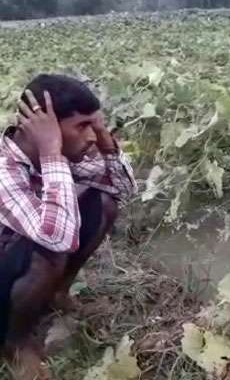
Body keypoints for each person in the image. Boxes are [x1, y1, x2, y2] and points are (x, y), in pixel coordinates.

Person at [0, 74, 137, 380]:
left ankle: (56, 294)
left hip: (13, 258)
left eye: (93, 124)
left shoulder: (66, 154)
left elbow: (123, 190)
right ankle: (15, 342)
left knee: (104, 202)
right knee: (49, 249)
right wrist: (51, 153)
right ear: (39, 130)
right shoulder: (4, 169)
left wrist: (104, 137)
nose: (90, 136)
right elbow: (58, 238)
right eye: (82, 126)